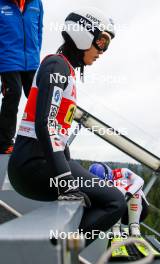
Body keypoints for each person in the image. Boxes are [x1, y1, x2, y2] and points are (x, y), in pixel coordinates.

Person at [8, 8, 126, 241]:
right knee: (115, 202)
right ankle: (59, 250)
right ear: (84, 33)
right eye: (101, 41)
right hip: (32, 165)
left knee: (106, 198)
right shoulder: (56, 66)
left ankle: (58, 247)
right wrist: (65, 179)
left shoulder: (65, 70)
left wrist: (69, 166)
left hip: (37, 163)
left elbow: (56, 132)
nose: (102, 51)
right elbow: (46, 124)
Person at [0, 0, 43, 154]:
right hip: (7, 60)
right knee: (13, 94)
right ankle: (4, 143)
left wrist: (36, 53)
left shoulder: (37, 3)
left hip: (31, 61)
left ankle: (40, 139)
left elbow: (39, 31)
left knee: (39, 99)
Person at [89, 163, 149, 237]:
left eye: (106, 182)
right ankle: (115, 228)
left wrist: (129, 193)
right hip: (120, 214)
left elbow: (139, 181)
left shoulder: (123, 172)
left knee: (132, 191)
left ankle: (134, 227)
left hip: (140, 208)